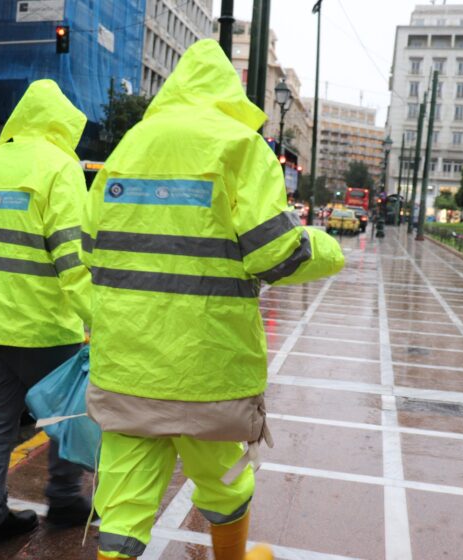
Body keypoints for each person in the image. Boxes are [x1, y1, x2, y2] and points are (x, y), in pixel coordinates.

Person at [81, 39, 344, 560]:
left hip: (128, 362)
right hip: (209, 367)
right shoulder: (239, 145)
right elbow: (276, 253)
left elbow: (91, 247)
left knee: (124, 500)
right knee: (224, 483)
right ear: (230, 94)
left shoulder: (130, 145)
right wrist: (327, 249)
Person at [0, 79, 93, 548]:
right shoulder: (61, 166)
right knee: (64, 416)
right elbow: (73, 256)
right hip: (46, 326)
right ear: (61, 122)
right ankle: (66, 499)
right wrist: (97, 318)